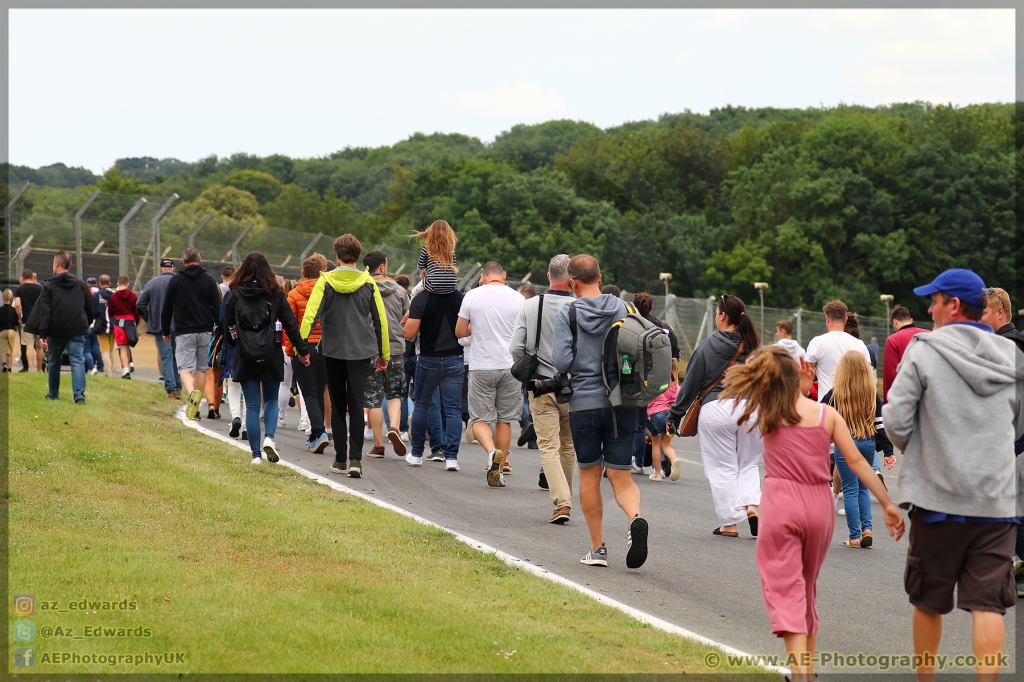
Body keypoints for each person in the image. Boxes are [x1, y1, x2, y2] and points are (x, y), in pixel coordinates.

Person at [722, 346, 902, 682]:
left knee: (785, 587)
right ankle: (809, 670)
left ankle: (799, 672)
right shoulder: (826, 415)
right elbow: (860, 463)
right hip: (819, 506)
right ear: (801, 375)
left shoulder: (769, 411)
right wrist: (888, 504)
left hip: (781, 503)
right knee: (807, 589)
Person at [883, 268, 1024, 682]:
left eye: (935, 300)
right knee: (988, 605)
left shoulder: (924, 350)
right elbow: (1018, 425)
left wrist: (926, 451)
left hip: (938, 497)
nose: (929, 308)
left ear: (954, 305)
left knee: (928, 599)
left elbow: (896, 421)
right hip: (996, 499)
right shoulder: (1013, 355)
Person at [552, 254, 648, 569]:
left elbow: (562, 362)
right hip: (623, 403)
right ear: (600, 276)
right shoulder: (624, 308)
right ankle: (635, 518)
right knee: (621, 476)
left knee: (590, 475)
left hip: (585, 404)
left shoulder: (569, 312)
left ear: (571, 283)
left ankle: (598, 549)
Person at [667, 294, 762, 538]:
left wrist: (675, 415)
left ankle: (730, 523)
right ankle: (752, 506)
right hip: (751, 409)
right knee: (748, 463)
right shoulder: (754, 346)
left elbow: (690, 385)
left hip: (717, 409)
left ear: (721, 315)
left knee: (722, 468)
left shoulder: (709, 346)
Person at [300, 234, 389, 479]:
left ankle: (340, 459)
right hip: (362, 351)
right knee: (357, 403)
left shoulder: (325, 280)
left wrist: (301, 347)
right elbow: (380, 320)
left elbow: (311, 315)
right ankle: (356, 460)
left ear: (337, 256)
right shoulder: (368, 282)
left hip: (333, 350)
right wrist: (384, 353)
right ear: (358, 256)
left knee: (338, 404)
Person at [223, 252, 310, 464]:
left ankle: (255, 455)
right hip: (271, 352)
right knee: (270, 400)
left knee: (252, 406)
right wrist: (302, 350)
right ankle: (269, 438)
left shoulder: (235, 295)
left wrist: (239, 344)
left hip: (245, 355)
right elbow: (290, 324)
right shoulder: (276, 294)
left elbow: (227, 328)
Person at [510, 254, 577, 522]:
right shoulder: (579, 307)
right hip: (573, 387)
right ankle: (566, 497)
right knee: (568, 446)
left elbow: (515, 347)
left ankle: (562, 503)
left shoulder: (531, 306)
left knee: (547, 446)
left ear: (548, 276)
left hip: (541, 385)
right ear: (571, 279)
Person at [455, 261, 525, 484]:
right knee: (504, 420)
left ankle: (490, 452)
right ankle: (501, 467)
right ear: (504, 276)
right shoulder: (518, 298)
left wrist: (475, 328)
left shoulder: (472, 296)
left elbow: (459, 331)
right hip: (510, 365)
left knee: (478, 418)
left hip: (481, 364)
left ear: (483, 277)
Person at [820, 351, 895, 548]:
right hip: (868, 444)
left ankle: (854, 537)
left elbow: (821, 412)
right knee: (863, 488)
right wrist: (888, 452)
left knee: (850, 490)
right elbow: (880, 424)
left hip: (846, 444)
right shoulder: (872, 394)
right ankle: (867, 529)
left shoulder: (837, 393)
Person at [402, 264, 465, 470]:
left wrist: (405, 322)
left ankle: (417, 453)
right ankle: (452, 458)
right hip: (455, 358)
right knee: (453, 409)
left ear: (427, 276)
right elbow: (466, 329)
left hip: (428, 358)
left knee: (422, 404)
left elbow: (409, 334)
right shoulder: (459, 298)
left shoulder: (421, 299)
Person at [24, 251, 94, 404]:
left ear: (56, 263)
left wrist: (43, 334)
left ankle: (53, 393)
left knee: (55, 361)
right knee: (77, 360)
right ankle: (79, 395)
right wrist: (85, 323)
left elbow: (45, 312)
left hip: (56, 331)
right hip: (77, 329)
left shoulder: (50, 285)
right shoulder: (80, 284)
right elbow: (90, 307)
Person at [161, 247, 221, 420]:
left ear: (183, 261)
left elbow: (167, 308)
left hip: (184, 331)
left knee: (184, 369)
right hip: (205, 330)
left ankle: (192, 395)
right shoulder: (209, 280)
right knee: (202, 368)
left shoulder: (176, 280)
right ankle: (197, 402)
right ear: (200, 260)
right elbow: (217, 308)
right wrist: (219, 328)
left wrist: (166, 330)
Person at [363, 250, 410, 458]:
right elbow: (407, 318)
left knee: (372, 398)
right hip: (396, 350)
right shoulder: (400, 291)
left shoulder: (362, 289)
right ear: (382, 267)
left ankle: (379, 444)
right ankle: (395, 428)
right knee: (395, 394)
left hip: (370, 349)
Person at [630, 292, 681, 474]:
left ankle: (638, 459)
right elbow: (676, 356)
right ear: (651, 307)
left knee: (638, 421)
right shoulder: (664, 328)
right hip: (662, 381)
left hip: (638, 381)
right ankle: (662, 460)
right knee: (663, 420)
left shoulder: (631, 325)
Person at [286, 254, 332, 453]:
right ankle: (315, 435)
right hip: (326, 347)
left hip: (303, 347)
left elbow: (290, 326)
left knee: (309, 393)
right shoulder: (330, 293)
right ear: (325, 272)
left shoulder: (294, 294)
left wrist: (292, 351)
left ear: (303, 273)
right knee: (320, 392)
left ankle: (319, 432)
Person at [805, 299, 871, 398]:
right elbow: (868, 378)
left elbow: (807, 375)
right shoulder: (860, 345)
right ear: (845, 320)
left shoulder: (817, 342)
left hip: (827, 406)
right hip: (853, 406)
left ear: (827, 318)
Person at [882, 305, 928, 403]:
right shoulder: (929, 335)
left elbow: (890, 376)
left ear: (895, 322)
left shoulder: (893, 340)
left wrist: (888, 404)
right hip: (929, 396)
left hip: (906, 399)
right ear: (911, 320)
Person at [646, 363, 680, 482]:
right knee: (666, 445)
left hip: (657, 415)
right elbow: (677, 400)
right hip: (670, 417)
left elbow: (648, 402)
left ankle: (657, 473)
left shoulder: (656, 386)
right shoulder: (675, 387)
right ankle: (674, 460)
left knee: (656, 445)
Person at [107, 276, 140, 380]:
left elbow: (110, 312)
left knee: (122, 347)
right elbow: (137, 311)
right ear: (128, 284)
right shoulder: (133, 296)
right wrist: (136, 322)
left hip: (119, 323)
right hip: (130, 322)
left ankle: (125, 369)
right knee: (128, 346)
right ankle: (128, 366)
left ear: (118, 283)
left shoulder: (113, 297)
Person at [415, 219, 459, 294]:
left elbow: (420, 265)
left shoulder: (427, 247)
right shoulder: (451, 248)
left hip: (432, 284)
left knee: (414, 292)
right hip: (451, 285)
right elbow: (453, 265)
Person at [14, 269, 42, 373]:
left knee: (29, 345)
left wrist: (20, 318)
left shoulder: (19, 290)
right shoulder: (40, 288)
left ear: (23, 277)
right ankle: (39, 369)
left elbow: (17, 304)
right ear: (32, 277)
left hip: (26, 321)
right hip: (39, 321)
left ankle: (30, 369)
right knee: (39, 346)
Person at [982, 287, 1024, 353]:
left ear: (1000, 313)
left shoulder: (1006, 344)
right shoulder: (1016, 341)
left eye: (983, 313)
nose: (978, 318)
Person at [92, 275, 115, 378]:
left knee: (104, 351)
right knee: (110, 350)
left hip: (101, 326)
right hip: (114, 325)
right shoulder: (115, 295)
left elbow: (93, 310)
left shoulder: (97, 295)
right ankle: (109, 372)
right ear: (110, 283)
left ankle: (109, 374)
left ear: (99, 284)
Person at [83, 277, 103, 375]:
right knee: (95, 345)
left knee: (86, 350)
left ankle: (92, 368)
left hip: (87, 323)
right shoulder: (99, 292)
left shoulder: (86, 291)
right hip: (96, 323)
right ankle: (100, 365)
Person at [0, 289, 19, 371]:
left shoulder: (0, 309)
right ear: (11, 299)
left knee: (3, 348)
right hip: (11, 331)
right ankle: (10, 367)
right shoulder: (13, 310)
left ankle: (4, 364)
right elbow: (16, 322)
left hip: (2, 331)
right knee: (10, 349)